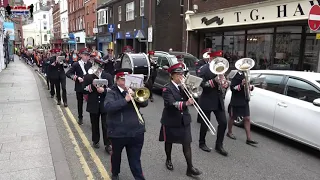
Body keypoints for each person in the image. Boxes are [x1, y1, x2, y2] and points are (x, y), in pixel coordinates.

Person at [159, 63, 202, 177]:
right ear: (172, 76)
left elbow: (194, 96)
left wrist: (190, 91)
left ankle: (190, 167)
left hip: (184, 119)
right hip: (171, 119)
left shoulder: (184, 87)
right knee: (169, 141)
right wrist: (186, 103)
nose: (181, 77)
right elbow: (171, 104)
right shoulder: (167, 88)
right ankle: (168, 159)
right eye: (178, 75)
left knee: (187, 143)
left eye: (182, 74)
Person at [104, 68, 148, 180]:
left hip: (136, 132)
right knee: (116, 157)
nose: (127, 83)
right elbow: (108, 107)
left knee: (135, 159)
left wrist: (136, 96)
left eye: (128, 80)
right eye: (124, 80)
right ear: (117, 80)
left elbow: (145, 103)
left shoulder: (133, 90)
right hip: (118, 133)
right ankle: (115, 173)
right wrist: (125, 100)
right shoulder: (111, 92)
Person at [197, 51, 229, 156]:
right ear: (210, 58)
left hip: (218, 99)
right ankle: (202, 143)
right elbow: (201, 84)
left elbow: (225, 82)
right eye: (215, 58)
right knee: (205, 123)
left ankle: (219, 145)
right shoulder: (204, 69)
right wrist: (214, 81)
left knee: (223, 122)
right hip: (206, 98)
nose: (218, 60)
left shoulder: (221, 68)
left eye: (219, 58)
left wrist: (225, 83)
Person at [83, 58, 113, 152]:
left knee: (106, 125)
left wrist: (104, 90)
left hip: (104, 104)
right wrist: (92, 86)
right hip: (93, 103)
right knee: (94, 124)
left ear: (101, 67)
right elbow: (83, 89)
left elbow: (112, 89)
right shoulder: (88, 77)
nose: (96, 68)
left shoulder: (107, 76)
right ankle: (95, 141)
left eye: (98, 66)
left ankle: (108, 144)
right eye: (94, 66)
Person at [226, 70, 258, 145]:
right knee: (233, 117)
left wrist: (251, 87)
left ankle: (249, 138)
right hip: (236, 100)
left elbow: (250, 85)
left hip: (244, 100)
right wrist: (241, 84)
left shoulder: (246, 74)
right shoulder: (234, 75)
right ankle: (229, 132)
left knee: (247, 118)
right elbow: (232, 88)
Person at [66, 48, 92, 125]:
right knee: (80, 103)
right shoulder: (76, 64)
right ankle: (80, 117)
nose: (87, 57)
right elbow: (68, 73)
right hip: (80, 86)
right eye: (85, 55)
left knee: (91, 104)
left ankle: (92, 121)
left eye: (88, 55)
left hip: (89, 86)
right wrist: (77, 78)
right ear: (80, 55)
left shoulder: (90, 64)